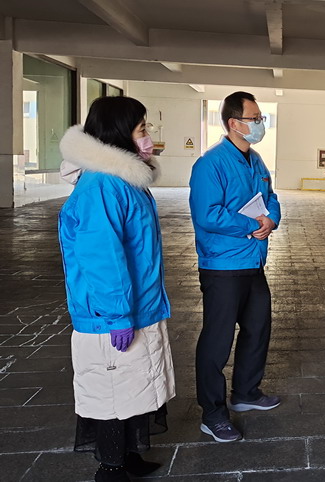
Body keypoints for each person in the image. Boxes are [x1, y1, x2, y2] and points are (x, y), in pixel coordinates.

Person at [58, 96, 175, 482]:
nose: (148, 136)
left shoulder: (125, 179)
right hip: (112, 313)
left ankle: (128, 456)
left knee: (133, 387)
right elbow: (102, 257)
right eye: (142, 129)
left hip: (138, 305)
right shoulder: (103, 184)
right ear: (118, 133)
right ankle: (110, 469)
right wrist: (117, 315)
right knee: (112, 394)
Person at [189, 91, 281, 442]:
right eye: (254, 118)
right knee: (218, 338)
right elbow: (207, 214)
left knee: (257, 328)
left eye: (260, 118)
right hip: (223, 264)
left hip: (253, 260)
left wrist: (271, 220)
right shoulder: (210, 164)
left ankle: (246, 392)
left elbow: (271, 198)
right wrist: (250, 224)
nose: (260, 124)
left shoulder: (255, 160)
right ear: (233, 123)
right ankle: (212, 413)